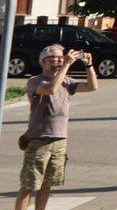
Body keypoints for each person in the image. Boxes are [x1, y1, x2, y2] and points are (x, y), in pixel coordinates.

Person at [15, 44, 98, 210]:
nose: (60, 59)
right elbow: (50, 89)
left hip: (59, 139)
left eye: (62, 57)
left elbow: (92, 87)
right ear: (44, 61)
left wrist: (89, 65)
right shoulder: (35, 81)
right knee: (29, 184)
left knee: (48, 183)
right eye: (56, 57)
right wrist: (66, 65)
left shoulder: (66, 81)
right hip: (39, 139)